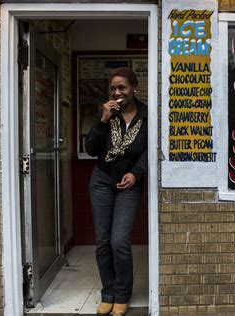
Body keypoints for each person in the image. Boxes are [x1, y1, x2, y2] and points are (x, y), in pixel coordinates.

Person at [85, 67, 147, 316]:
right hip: (101, 181)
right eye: (113, 88)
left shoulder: (146, 115)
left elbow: (147, 151)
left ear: (134, 88)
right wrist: (102, 120)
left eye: (122, 87)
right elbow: (91, 149)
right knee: (102, 242)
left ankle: (122, 293)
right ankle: (108, 292)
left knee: (119, 241)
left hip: (129, 184)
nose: (117, 92)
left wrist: (136, 173)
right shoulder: (107, 115)